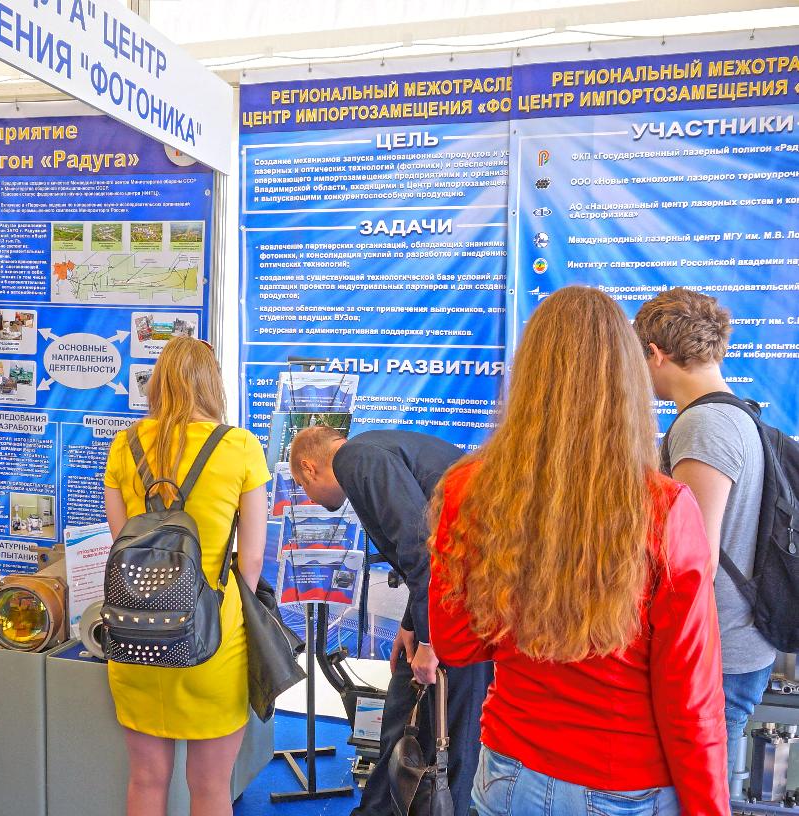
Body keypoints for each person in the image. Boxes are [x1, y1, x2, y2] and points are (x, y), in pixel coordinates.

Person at [429, 286, 728, 816]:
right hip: (623, 783)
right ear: (628, 383)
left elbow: (455, 644)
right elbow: (689, 696)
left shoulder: (469, 489)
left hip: (507, 770)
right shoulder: (662, 508)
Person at [103, 336, 269, 816]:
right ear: (211, 384)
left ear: (158, 383)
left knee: (145, 779)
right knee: (211, 787)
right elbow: (252, 560)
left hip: (135, 634)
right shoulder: (240, 446)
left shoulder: (124, 444)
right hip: (214, 637)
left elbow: (123, 542)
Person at [289, 427, 490, 816]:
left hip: (467, 598)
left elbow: (422, 549)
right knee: (407, 709)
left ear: (309, 467)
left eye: (302, 485)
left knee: (454, 731)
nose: (308, 497)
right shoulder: (374, 451)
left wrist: (429, 641)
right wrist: (411, 626)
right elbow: (423, 550)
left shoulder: (356, 458)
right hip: (459, 590)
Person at [635, 287, 773, 801]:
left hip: (715, 653)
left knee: (698, 793)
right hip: (735, 642)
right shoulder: (737, 414)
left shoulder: (704, 425)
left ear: (655, 353)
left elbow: (694, 561)